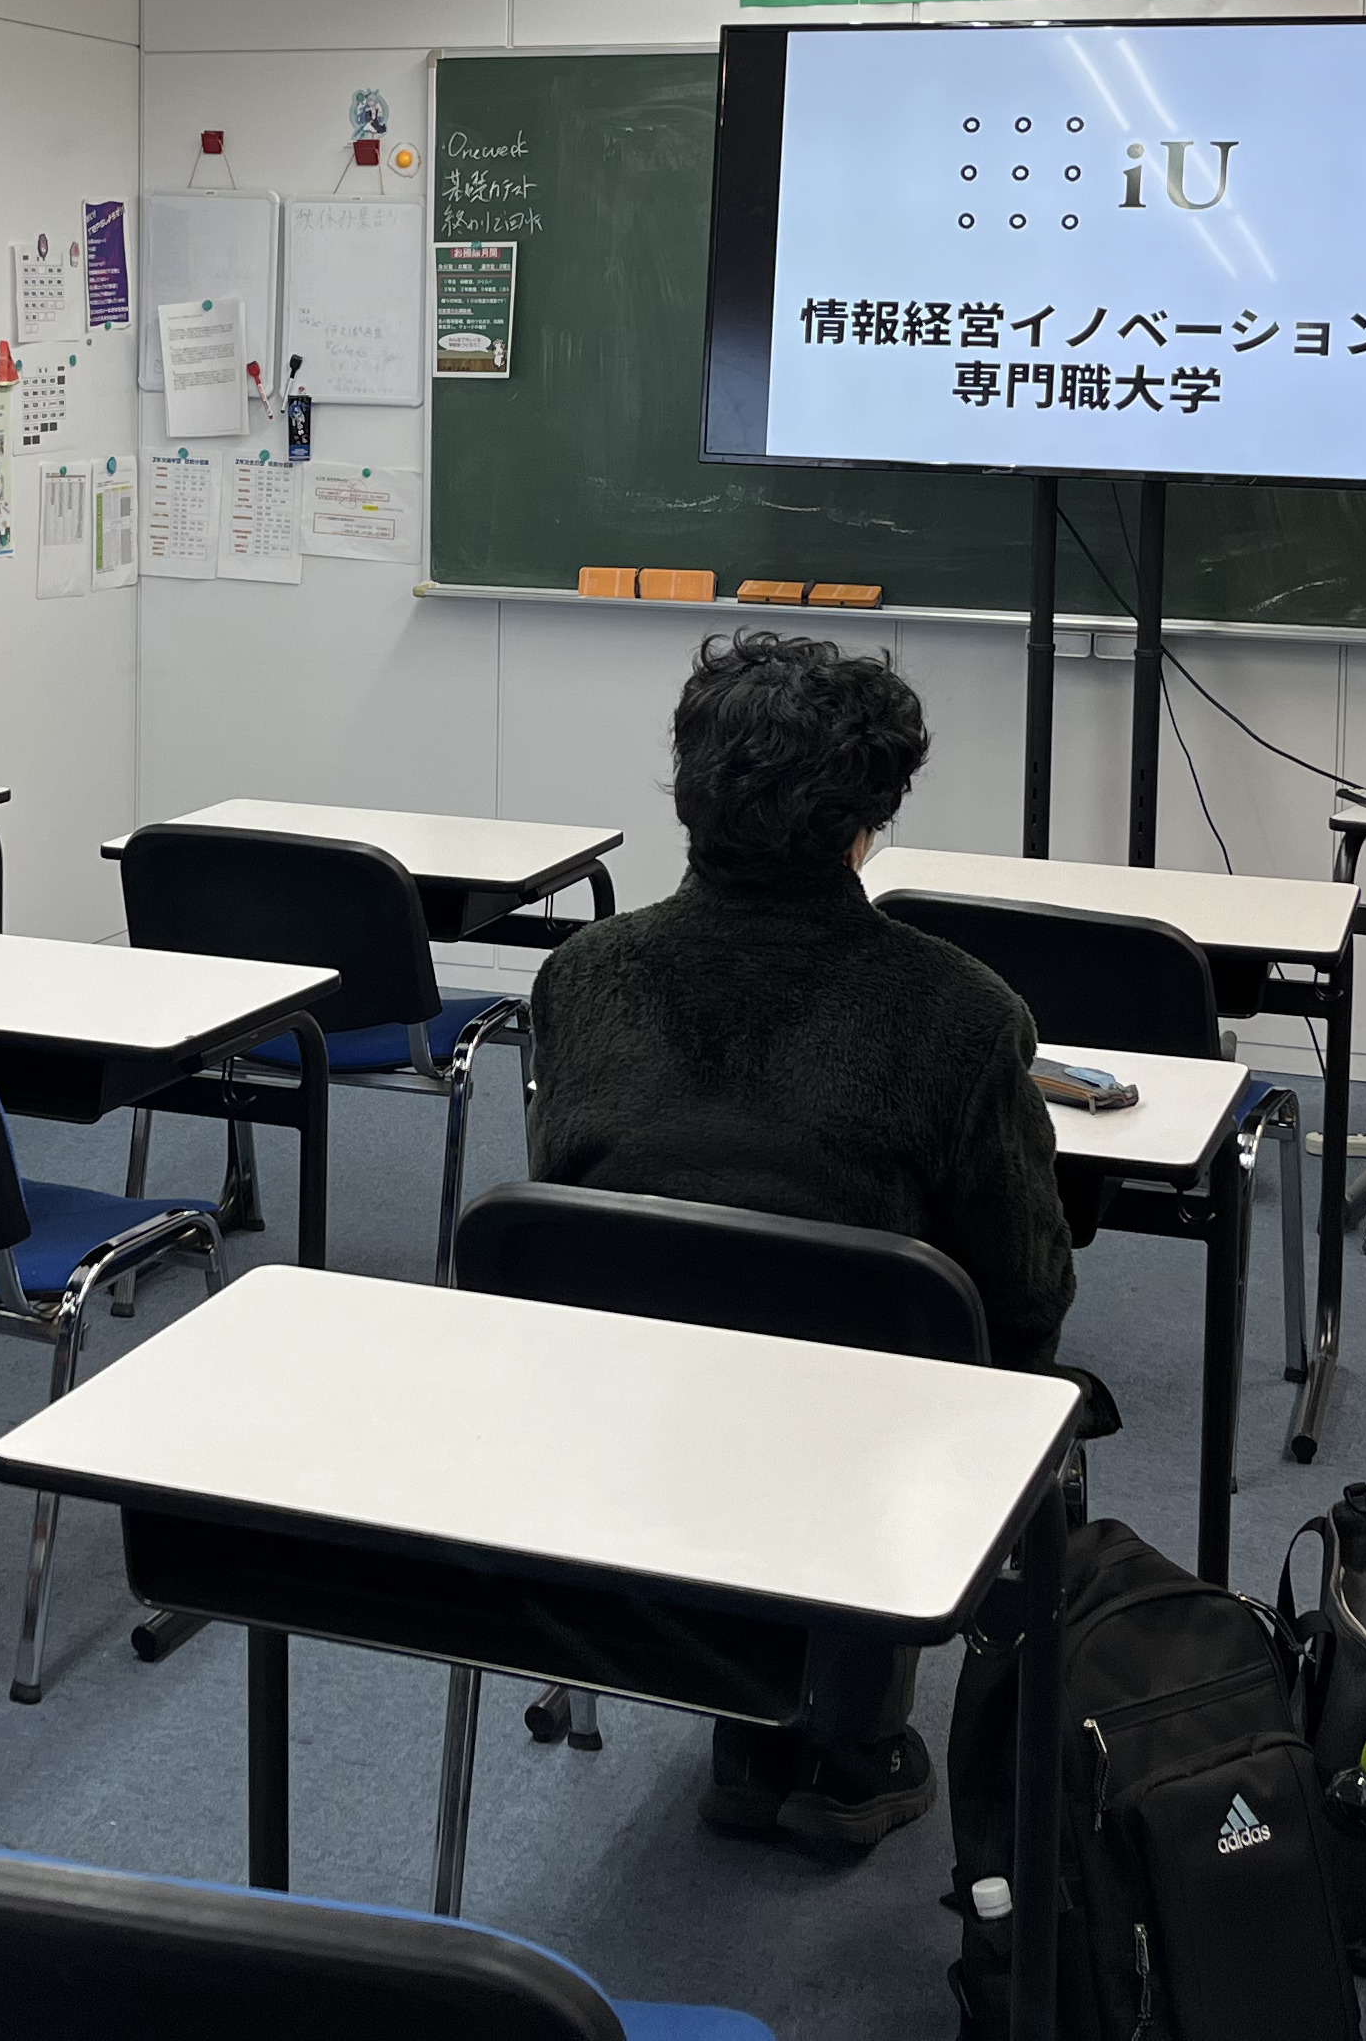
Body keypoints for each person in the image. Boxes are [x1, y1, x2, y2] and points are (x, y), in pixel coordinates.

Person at [526, 630, 1076, 1862]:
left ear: (688, 791)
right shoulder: (961, 1010)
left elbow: (565, 1209)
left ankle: (745, 1716)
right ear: (869, 819)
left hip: (616, 1420)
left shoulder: (582, 975)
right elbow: (1024, 1293)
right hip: (857, 1443)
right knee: (927, 1366)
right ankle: (849, 1752)